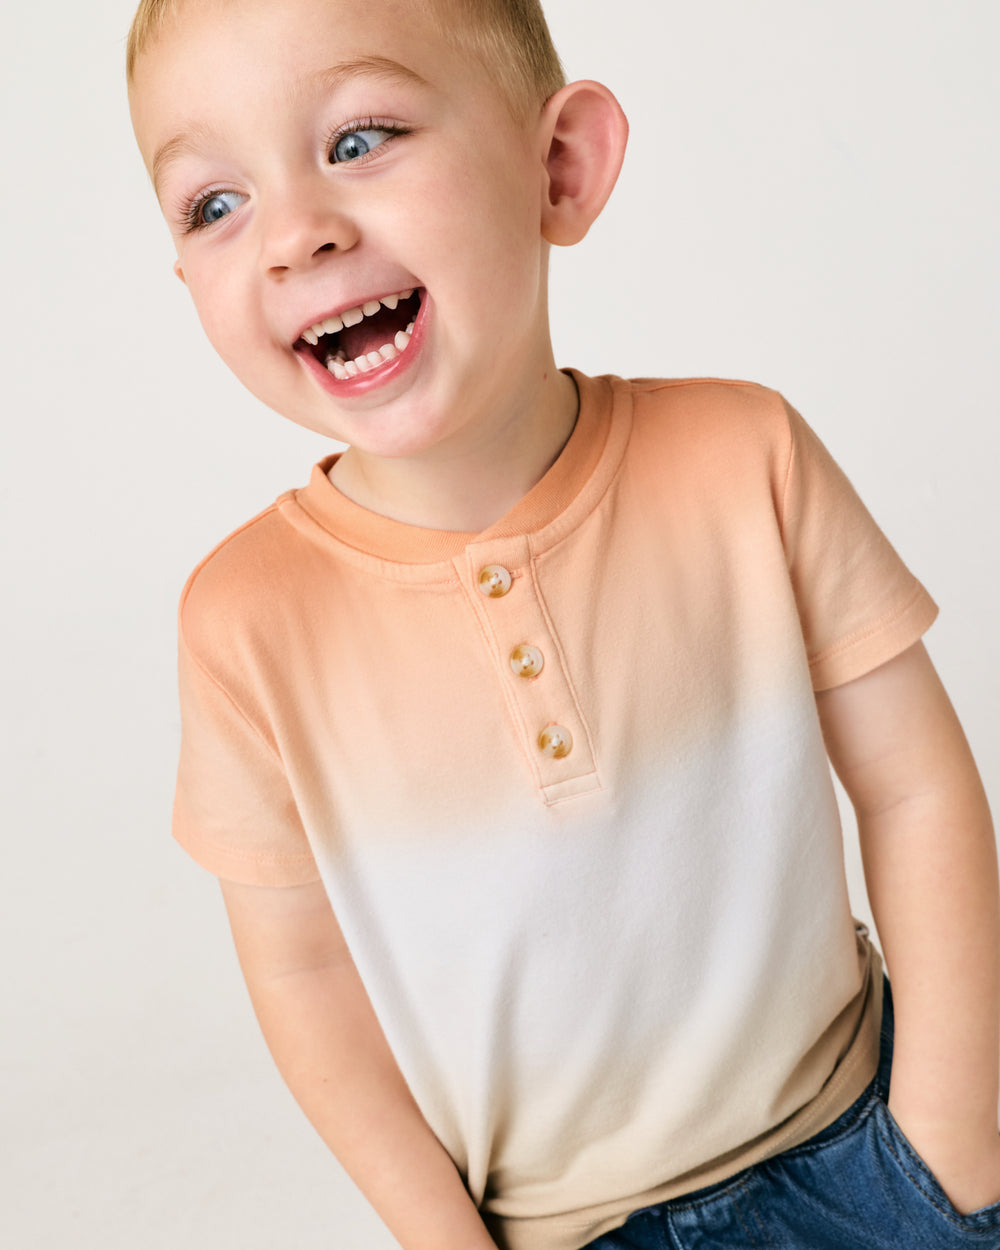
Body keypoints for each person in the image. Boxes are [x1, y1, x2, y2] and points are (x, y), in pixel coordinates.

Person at [126, 1, 1000, 1247]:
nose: (295, 235)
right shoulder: (245, 621)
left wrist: (955, 1140)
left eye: (360, 138)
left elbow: (914, 784)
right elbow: (305, 979)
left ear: (561, 166)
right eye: (215, 204)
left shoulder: (745, 454)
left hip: (869, 1138)